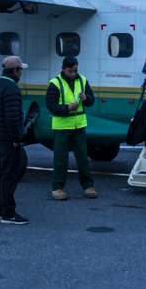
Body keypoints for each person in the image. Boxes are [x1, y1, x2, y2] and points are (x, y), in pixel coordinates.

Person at [47, 55, 98, 201]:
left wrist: (86, 99)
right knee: (60, 159)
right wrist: (67, 108)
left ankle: (88, 186)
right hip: (62, 126)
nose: (73, 74)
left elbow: (91, 100)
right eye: (70, 71)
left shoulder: (82, 80)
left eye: (75, 70)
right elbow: (51, 105)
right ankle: (57, 188)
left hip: (79, 126)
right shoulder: (55, 83)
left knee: (83, 158)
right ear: (63, 69)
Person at [0, 53, 30, 225]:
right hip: (8, 139)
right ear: (16, 71)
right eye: (21, 70)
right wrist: (16, 138)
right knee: (9, 176)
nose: (21, 73)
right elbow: (12, 117)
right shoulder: (12, 89)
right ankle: (8, 213)